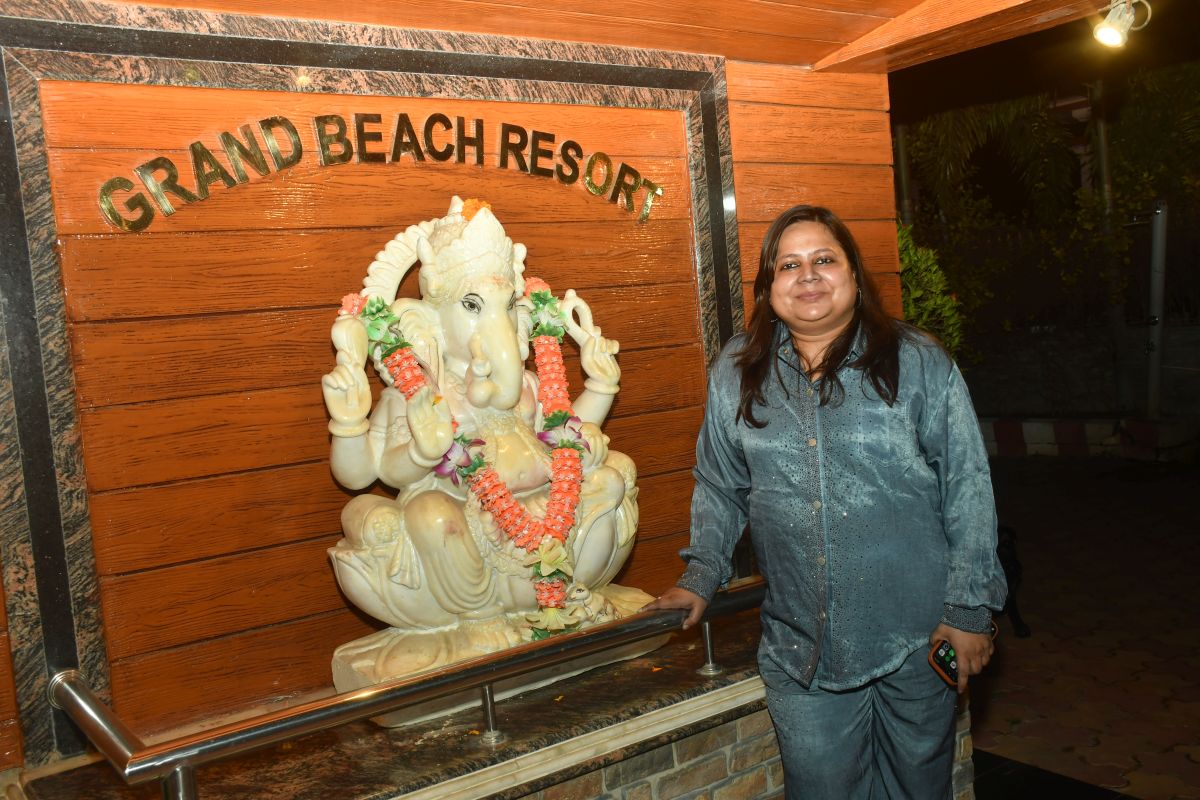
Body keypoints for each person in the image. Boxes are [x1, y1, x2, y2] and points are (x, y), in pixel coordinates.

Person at [644, 205, 1007, 799]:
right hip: (799, 647)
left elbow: (968, 486)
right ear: (769, 288)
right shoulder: (737, 370)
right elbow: (719, 483)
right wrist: (701, 575)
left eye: (823, 260)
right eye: (788, 265)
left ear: (855, 277)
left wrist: (967, 612)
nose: (807, 275)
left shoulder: (917, 361)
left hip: (917, 638)